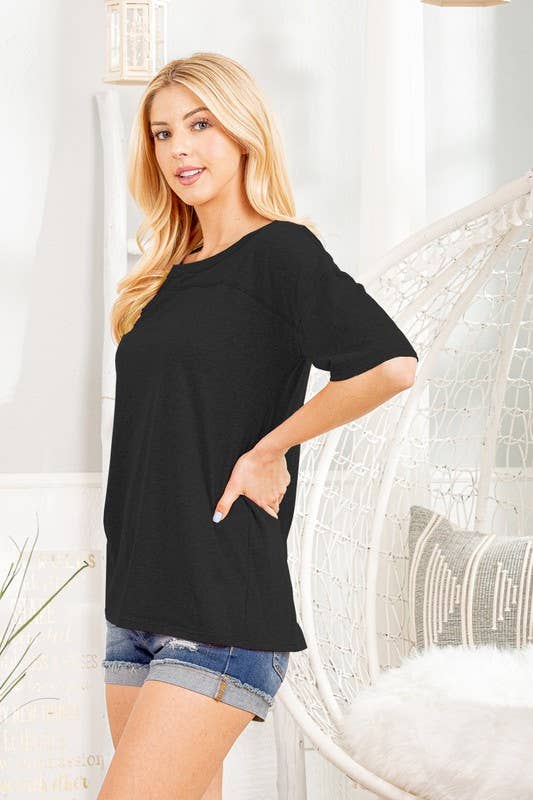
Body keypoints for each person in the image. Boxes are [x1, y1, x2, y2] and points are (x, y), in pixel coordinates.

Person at [97, 51, 418, 800]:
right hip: (136, 605)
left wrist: (272, 447)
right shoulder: (165, 276)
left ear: (244, 134)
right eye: (163, 133)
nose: (180, 149)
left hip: (218, 607)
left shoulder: (280, 252)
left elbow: (390, 364)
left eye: (200, 125)